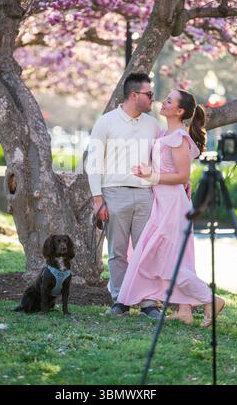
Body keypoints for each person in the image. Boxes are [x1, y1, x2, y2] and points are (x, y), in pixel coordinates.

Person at [117, 89, 225, 326]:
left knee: (168, 261)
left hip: (173, 207)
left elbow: (182, 175)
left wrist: (151, 175)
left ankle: (211, 299)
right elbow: (180, 176)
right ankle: (184, 310)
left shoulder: (179, 139)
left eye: (168, 101)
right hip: (162, 204)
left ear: (179, 111)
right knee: (169, 257)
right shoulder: (166, 133)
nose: (163, 103)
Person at [86, 73, 162, 318]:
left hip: (145, 195)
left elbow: (166, 156)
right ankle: (120, 301)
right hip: (114, 194)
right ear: (133, 95)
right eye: (149, 94)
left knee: (146, 251)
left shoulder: (153, 125)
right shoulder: (106, 122)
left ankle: (148, 303)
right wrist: (98, 200)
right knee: (118, 252)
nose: (153, 98)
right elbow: (94, 162)